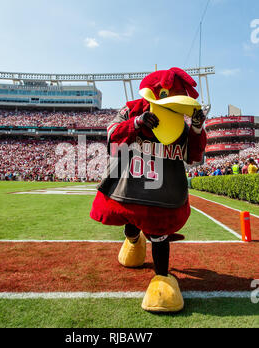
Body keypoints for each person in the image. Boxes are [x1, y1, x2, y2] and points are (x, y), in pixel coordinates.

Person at [90, 67, 207, 313]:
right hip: (130, 185)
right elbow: (111, 134)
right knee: (131, 221)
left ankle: (162, 278)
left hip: (161, 192)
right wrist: (136, 123)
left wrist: (196, 128)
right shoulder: (132, 109)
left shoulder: (179, 126)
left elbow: (194, 156)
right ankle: (133, 241)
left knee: (159, 232)